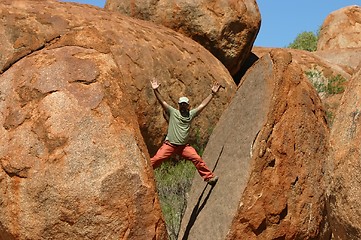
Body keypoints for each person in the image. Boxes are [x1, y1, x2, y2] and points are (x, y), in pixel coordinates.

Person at [150, 78, 220, 186]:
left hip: (184, 147)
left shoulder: (191, 114)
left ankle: (209, 178)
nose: (183, 106)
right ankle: (145, 171)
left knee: (197, 159)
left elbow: (202, 105)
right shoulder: (173, 112)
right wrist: (155, 90)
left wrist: (212, 94)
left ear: (188, 106)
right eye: (181, 105)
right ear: (178, 106)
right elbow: (162, 101)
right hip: (170, 145)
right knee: (157, 158)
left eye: (184, 105)